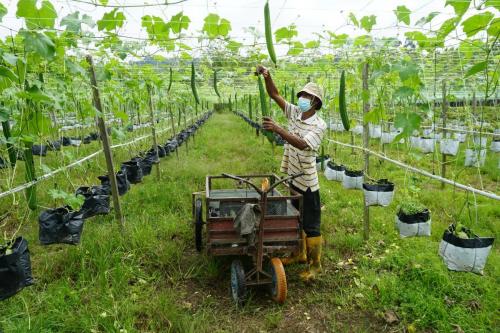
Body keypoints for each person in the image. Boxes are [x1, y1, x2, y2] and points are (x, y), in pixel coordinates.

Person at [256, 64, 327, 281]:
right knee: (297, 218)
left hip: (307, 182)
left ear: (316, 102)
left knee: (311, 224)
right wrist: (267, 76)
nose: (303, 98)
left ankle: (315, 266)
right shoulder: (295, 112)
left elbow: (303, 144)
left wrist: (278, 129)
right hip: (292, 176)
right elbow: (274, 94)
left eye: (308, 95)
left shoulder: (319, 125)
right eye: (303, 94)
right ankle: (300, 254)